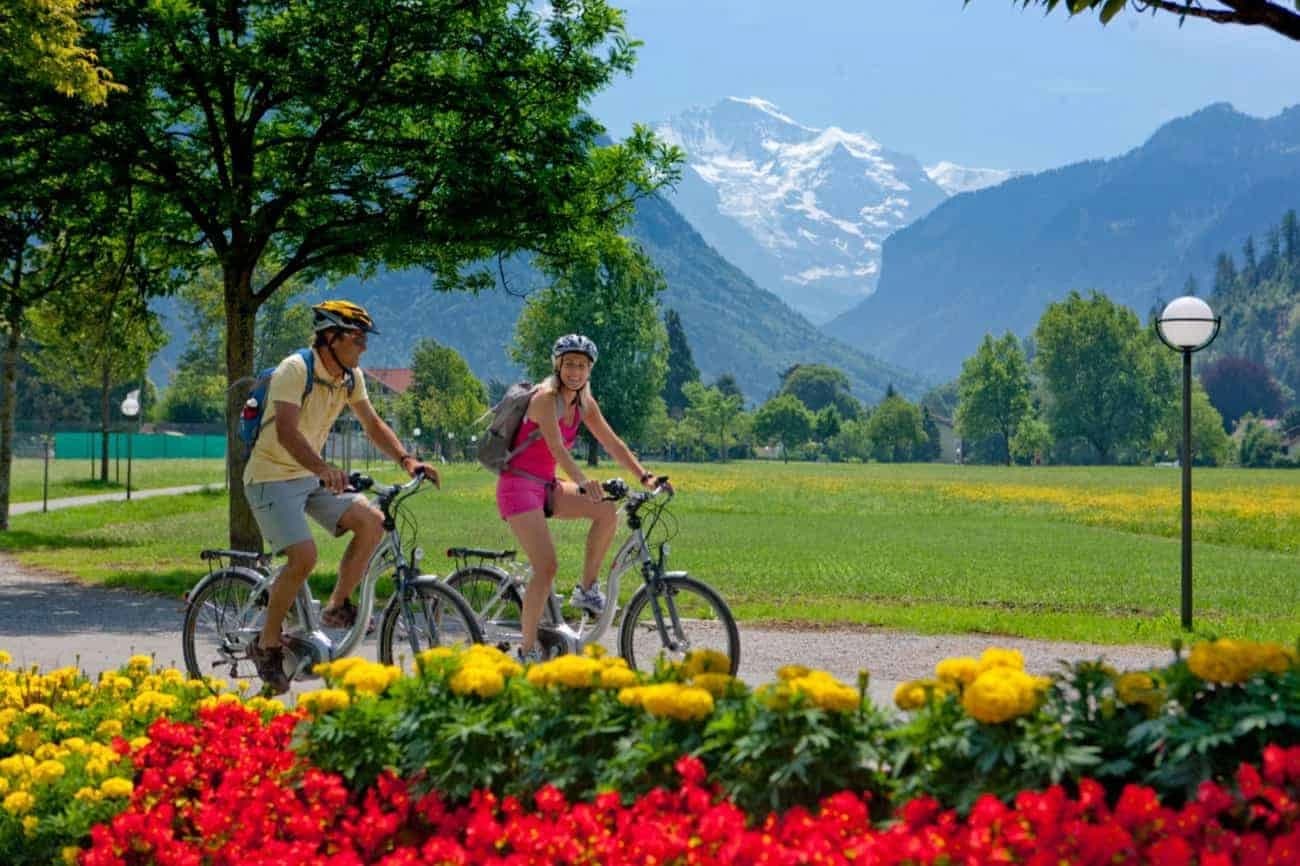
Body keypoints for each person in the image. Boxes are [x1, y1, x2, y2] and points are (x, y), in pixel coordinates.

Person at [243, 300, 437, 693]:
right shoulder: (295, 370)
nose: (363, 346)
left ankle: (336, 606)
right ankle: (266, 644)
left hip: (310, 475)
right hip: (270, 477)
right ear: (330, 337)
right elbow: (285, 431)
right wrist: (323, 469)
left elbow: (372, 423)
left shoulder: (350, 377)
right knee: (304, 557)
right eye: (357, 337)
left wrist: (406, 459)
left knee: (371, 522)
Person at [497, 333, 661, 662]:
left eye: (582, 366)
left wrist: (644, 475)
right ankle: (526, 651)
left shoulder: (585, 402)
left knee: (605, 510)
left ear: (589, 370)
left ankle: (586, 590)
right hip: (517, 487)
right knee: (546, 567)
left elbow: (612, 443)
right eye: (569, 364)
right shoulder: (545, 399)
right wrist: (584, 482)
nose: (575, 371)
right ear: (557, 366)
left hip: (545, 485)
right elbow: (557, 447)